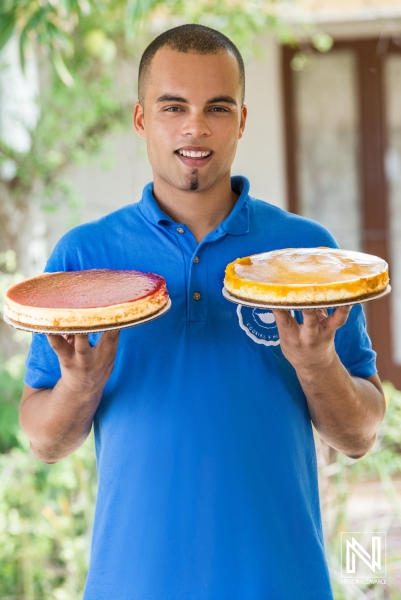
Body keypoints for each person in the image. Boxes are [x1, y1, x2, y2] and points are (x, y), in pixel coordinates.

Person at [20, 24, 386, 600]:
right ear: (142, 119)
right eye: (173, 107)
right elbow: (43, 441)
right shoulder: (84, 258)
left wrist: (317, 365)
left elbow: (361, 434)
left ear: (241, 120)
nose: (195, 127)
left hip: (282, 585)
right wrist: (78, 383)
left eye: (218, 107)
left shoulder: (308, 253)